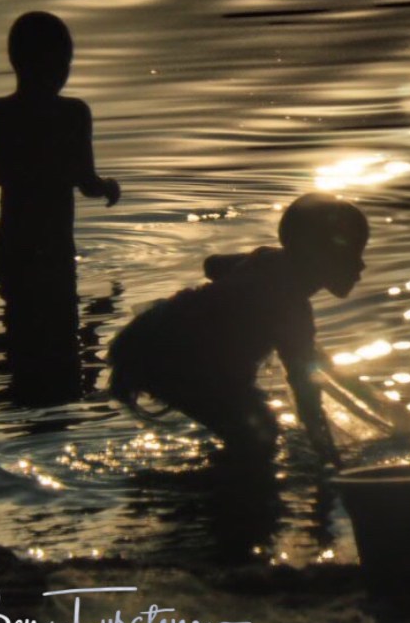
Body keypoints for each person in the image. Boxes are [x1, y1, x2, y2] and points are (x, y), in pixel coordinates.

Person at [108, 193, 368, 469]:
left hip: (146, 338)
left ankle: (214, 486)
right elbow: (306, 393)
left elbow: (212, 264)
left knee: (249, 434)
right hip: (175, 358)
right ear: (315, 255)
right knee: (261, 437)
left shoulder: (265, 260)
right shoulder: (291, 308)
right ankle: (218, 495)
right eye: (350, 252)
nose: (360, 264)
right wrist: (331, 462)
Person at [0, 12, 120, 277]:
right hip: (54, 246)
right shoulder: (73, 113)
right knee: (60, 313)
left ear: (15, 61)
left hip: (10, 246)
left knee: (17, 314)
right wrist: (108, 187)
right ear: (60, 65)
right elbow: (87, 182)